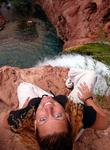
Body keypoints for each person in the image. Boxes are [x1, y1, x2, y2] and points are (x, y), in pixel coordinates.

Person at [2, 69, 109, 150]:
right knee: (91, 74)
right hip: (71, 131)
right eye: (58, 116)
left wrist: (23, 109)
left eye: (43, 119)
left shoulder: (24, 117)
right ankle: (71, 78)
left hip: (38, 107)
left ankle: (70, 80)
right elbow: (105, 122)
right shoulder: (78, 114)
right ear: (68, 117)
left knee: (24, 86)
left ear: (34, 125)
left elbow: (3, 122)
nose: (48, 107)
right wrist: (88, 99)